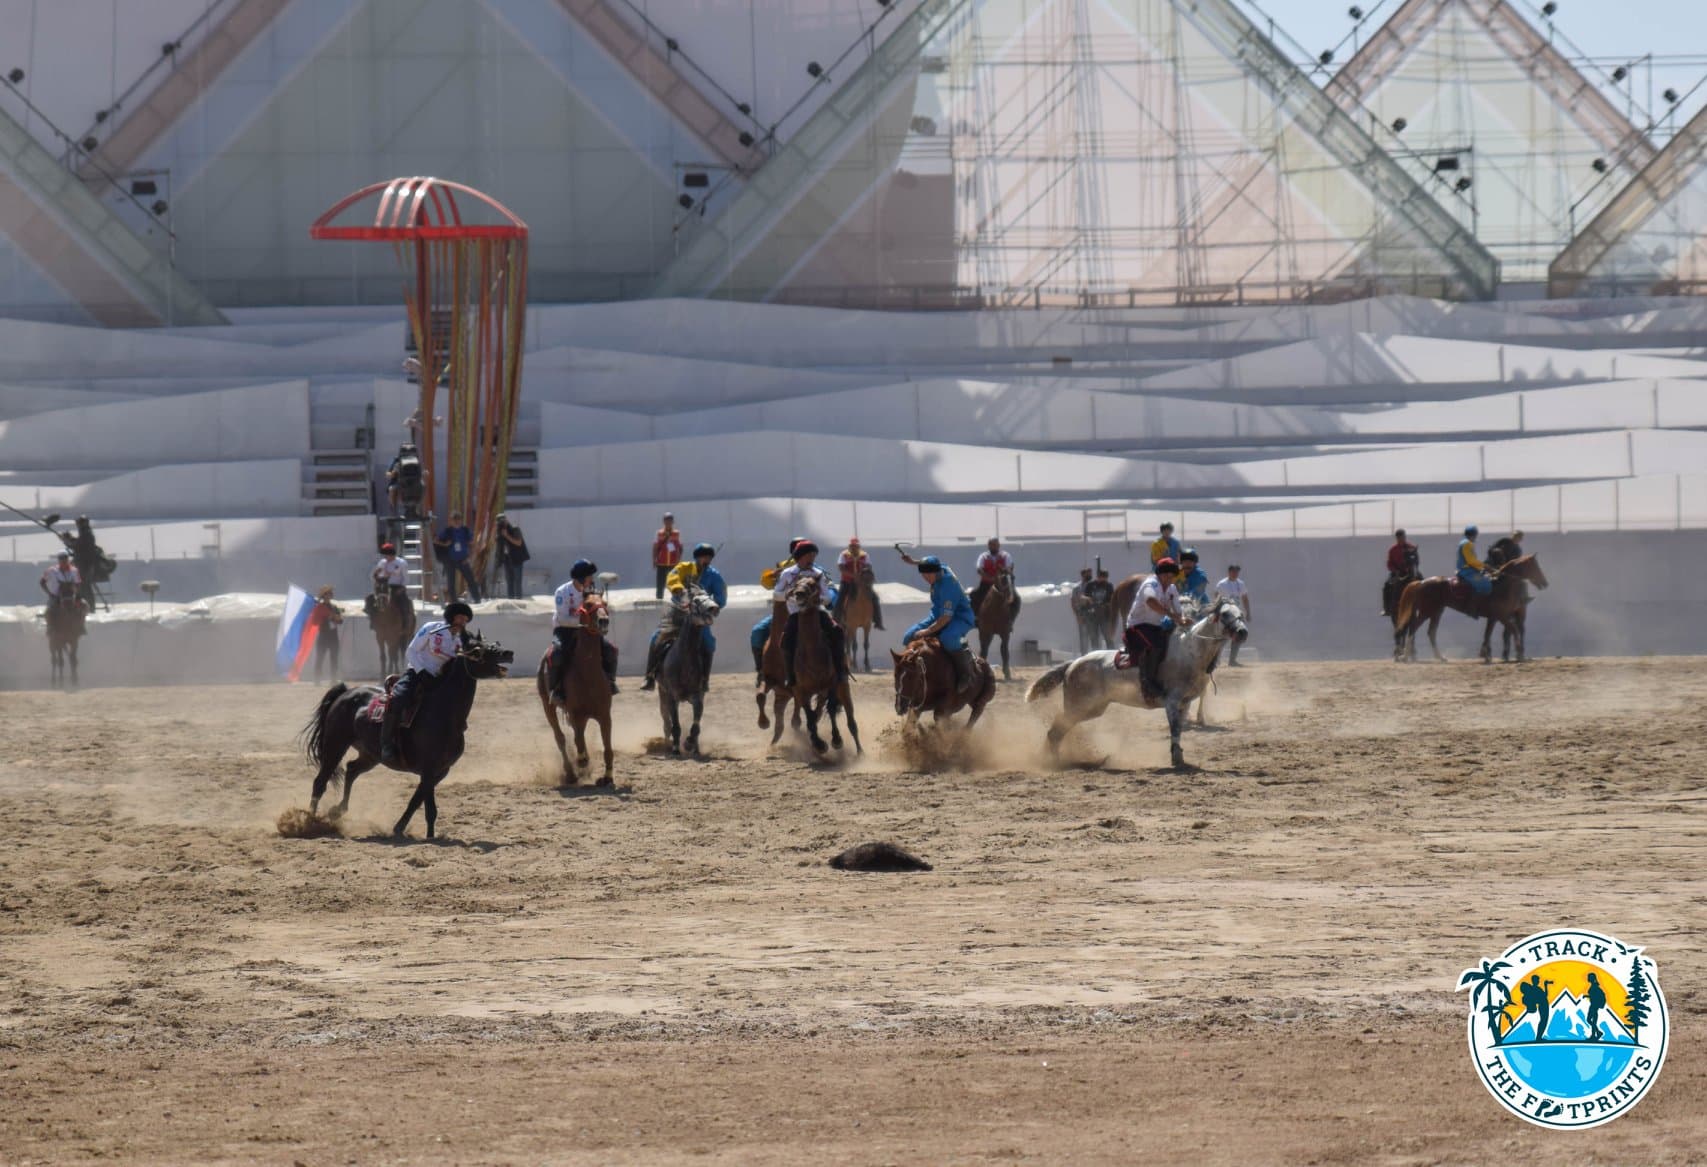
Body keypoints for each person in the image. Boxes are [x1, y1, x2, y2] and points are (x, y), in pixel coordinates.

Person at [381, 601, 472, 765]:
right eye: (460, 618)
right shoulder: (432, 628)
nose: (462, 623)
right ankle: (387, 745)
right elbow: (411, 651)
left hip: (442, 679)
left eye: (465, 620)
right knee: (397, 700)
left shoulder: (461, 640)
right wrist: (421, 672)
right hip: (416, 673)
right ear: (451, 616)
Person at [643, 544, 726, 692]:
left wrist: (714, 607)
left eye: (708, 557)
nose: (706, 560)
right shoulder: (684, 568)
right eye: (703, 557)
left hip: (699, 617)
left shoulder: (715, 575)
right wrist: (679, 589)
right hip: (678, 612)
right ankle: (649, 676)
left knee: (709, 643)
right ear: (696, 558)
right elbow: (672, 577)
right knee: (656, 637)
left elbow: (721, 597)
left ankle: (705, 679)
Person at [897, 552, 978, 692]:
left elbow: (946, 618)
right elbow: (932, 565)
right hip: (937, 614)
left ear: (936, 572)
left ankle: (966, 674)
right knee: (909, 636)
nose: (926, 578)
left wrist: (927, 631)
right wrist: (914, 562)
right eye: (923, 575)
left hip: (959, 617)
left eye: (929, 575)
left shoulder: (948, 586)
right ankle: (908, 673)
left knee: (947, 638)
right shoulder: (940, 568)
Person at [776, 542, 847, 688]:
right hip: (796, 614)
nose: (812, 559)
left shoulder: (817, 574)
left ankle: (840, 671)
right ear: (800, 556)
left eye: (814, 556)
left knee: (837, 631)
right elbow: (776, 594)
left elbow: (827, 597)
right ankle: (791, 676)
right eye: (809, 555)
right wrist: (788, 595)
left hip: (816, 612)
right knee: (785, 641)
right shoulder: (787, 574)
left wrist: (816, 599)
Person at [550, 559, 619, 701]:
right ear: (581, 578)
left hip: (587, 630)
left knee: (611, 650)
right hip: (564, 630)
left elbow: (598, 609)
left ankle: (610, 682)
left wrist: (602, 612)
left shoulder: (592, 592)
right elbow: (563, 618)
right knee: (556, 655)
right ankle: (555, 690)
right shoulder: (562, 592)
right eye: (589, 577)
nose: (592, 579)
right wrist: (586, 622)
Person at [752, 537, 808, 681]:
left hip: (805, 612)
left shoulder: (813, 567)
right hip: (783, 612)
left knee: (833, 632)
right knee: (757, 632)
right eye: (797, 548)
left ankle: (837, 675)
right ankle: (761, 670)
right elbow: (765, 583)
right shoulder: (783, 566)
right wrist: (774, 574)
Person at [1125, 557, 1182, 700]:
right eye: (1167, 574)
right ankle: (1147, 683)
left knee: (1174, 643)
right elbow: (1151, 601)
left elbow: (1179, 610)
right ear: (1160, 574)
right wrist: (1171, 614)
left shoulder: (1172, 588)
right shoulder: (1150, 584)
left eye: (1172, 575)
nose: (1170, 578)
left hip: (1156, 627)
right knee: (1155, 645)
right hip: (1137, 626)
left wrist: (1183, 619)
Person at [834, 536, 884, 630]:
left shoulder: (864, 555)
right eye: (852, 546)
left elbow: (869, 567)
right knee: (840, 599)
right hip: (847, 582)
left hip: (861, 584)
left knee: (875, 598)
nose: (854, 547)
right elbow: (841, 568)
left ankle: (877, 621)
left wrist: (864, 576)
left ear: (859, 546)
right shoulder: (844, 554)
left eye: (856, 546)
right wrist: (853, 576)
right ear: (849, 546)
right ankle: (836, 621)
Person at [434, 511, 482, 603]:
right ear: (451, 521)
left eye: (458, 519)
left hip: (463, 559)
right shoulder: (447, 531)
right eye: (454, 520)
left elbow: (473, 544)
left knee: (471, 579)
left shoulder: (465, 530)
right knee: (451, 583)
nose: (456, 522)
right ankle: (454, 601)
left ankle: (477, 599)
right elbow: (435, 540)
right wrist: (444, 544)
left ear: (461, 520)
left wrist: (469, 558)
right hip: (450, 560)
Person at [969, 537, 1020, 620]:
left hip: (1003, 585)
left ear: (999, 545)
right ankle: (976, 617)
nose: (994, 546)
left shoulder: (1005, 555)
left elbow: (1010, 567)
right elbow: (979, 569)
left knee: (1016, 599)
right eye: (992, 545)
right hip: (986, 584)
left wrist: (1005, 572)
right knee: (973, 596)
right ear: (988, 546)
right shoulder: (984, 556)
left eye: (995, 545)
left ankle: (1011, 619)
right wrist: (989, 578)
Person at [62, 515, 106, 610]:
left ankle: (90, 607)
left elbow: (78, 546)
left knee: (84, 587)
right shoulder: (86, 534)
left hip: (85, 566)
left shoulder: (87, 534)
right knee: (83, 586)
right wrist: (69, 540)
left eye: (78, 523)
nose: (77, 525)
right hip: (84, 565)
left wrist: (68, 541)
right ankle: (85, 607)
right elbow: (78, 544)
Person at [1213, 565, 1250, 666]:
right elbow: (1216, 599)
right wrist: (1216, 613)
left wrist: (1248, 612)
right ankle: (1216, 660)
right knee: (1222, 637)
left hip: (1237, 613)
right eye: (1233, 572)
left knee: (1240, 634)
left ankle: (1232, 660)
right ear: (1229, 572)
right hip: (1225, 613)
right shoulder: (1222, 584)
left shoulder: (1240, 584)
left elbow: (1245, 598)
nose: (1235, 574)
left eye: (1237, 572)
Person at [1383, 528, 1420, 616]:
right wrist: (1395, 570)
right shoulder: (1392, 550)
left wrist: (1414, 568)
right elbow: (1389, 564)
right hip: (1397, 572)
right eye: (1399, 538)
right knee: (1387, 586)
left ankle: (1424, 604)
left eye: (1403, 537)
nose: (1402, 539)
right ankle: (1387, 608)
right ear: (1397, 538)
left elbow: (1416, 560)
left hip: (1410, 571)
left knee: (1423, 582)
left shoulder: (1411, 547)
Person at [494, 513, 530, 599]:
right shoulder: (499, 532)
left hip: (517, 559)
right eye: (500, 522)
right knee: (509, 581)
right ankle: (510, 599)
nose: (503, 523)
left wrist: (507, 536)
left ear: (506, 520)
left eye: (503, 520)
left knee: (517, 581)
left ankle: (518, 599)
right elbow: (498, 546)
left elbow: (518, 543)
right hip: (507, 559)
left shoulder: (515, 529)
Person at [372, 542, 410, 617]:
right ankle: (373, 620)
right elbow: (375, 576)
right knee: (371, 600)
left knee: (404, 603)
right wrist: (376, 573)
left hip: (397, 586)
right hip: (384, 586)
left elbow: (406, 578)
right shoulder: (382, 562)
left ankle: (406, 620)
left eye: (386, 555)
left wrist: (402, 587)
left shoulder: (401, 563)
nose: (385, 557)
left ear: (391, 554)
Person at [653, 513, 684, 600]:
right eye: (666, 520)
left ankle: (677, 601)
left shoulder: (677, 533)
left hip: (673, 563)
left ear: (673, 522)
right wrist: (654, 560)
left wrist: (679, 560)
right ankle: (659, 600)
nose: (668, 523)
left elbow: (680, 547)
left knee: (674, 583)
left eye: (670, 521)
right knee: (660, 584)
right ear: (663, 522)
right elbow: (655, 547)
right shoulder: (659, 533)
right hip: (661, 562)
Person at [1456, 524, 1492, 598]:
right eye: (1476, 535)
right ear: (1473, 535)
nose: (1476, 537)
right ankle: (1476, 605)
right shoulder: (1467, 544)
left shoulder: (1464, 542)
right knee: (1486, 584)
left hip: (1468, 569)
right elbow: (1471, 561)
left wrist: (1481, 567)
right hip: (1467, 571)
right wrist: (1484, 566)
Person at [1085, 567, 1116, 651]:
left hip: (1105, 615)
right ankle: (1095, 656)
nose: (1105, 579)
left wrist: (1106, 605)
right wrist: (1088, 600)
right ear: (1099, 577)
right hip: (1092, 615)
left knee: (1108, 637)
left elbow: (1112, 600)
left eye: (1106, 577)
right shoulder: (1090, 585)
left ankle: (1111, 654)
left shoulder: (1109, 586)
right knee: (1094, 638)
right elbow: (1084, 597)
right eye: (1103, 577)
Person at [1070, 567, 1095, 654]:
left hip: (1093, 614)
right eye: (1088, 573)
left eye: (1091, 573)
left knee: (1094, 636)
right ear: (1083, 575)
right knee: (1084, 638)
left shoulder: (1094, 585)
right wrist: (1077, 616)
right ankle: (1084, 657)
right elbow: (1073, 602)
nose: (1090, 575)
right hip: (1082, 614)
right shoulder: (1077, 587)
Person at [1584, 972, 1606, 1042]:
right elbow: (1594, 995)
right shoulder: (1594, 986)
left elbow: (1595, 996)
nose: (1587, 978)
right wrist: (1587, 996)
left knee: (1591, 1020)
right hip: (1593, 1005)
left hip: (1594, 1005)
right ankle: (1598, 1033)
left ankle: (1594, 1035)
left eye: (1588, 977)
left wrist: (1588, 996)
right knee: (1591, 1020)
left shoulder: (1594, 986)